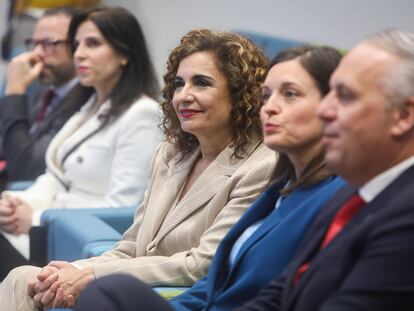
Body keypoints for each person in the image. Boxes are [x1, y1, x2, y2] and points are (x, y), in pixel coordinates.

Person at [0, 28, 277, 310]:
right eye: (179, 84)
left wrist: (91, 275)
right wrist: (67, 274)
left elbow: (202, 264)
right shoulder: (171, 153)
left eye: (202, 83)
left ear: (241, 93)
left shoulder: (260, 167)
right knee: (25, 278)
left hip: (177, 297)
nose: (184, 95)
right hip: (129, 282)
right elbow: (130, 247)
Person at [71, 45, 348, 311]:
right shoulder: (281, 188)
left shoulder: (331, 194)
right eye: (266, 96)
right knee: (75, 287)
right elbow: (215, 283)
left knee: (106, 291)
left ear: (332, 106)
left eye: (290, 94)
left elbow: (277, 294)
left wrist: (95, 273)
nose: (270, 108)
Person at [232, 29, 414, 310]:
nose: (324, 111)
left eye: (345, 96)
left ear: (403, 116)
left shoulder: (406, 213)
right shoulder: (350, 196)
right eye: (265, 96)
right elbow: (280, 294)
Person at [0, 6, 161, 279]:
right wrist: (14, 202)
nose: (79, 54)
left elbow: (125, 209)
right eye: (76, 45)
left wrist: (38, 218)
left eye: (93, 44)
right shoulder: (91, 105)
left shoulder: (142, 113)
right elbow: (56, 176)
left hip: (71, 246)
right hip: (42, 230)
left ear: (124, 53)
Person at [0, 6, 93, 184]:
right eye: (35, 43)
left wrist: (14, 90)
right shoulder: (46, 93)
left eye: (50, 43)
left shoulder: (87, 100)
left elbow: (25, 168)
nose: (38, 54)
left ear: (77, 46)